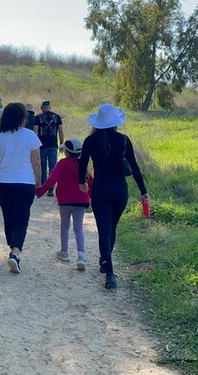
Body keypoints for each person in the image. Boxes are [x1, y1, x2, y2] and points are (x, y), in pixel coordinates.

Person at [78, 103, 150, 289]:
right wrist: (143, 191)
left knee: (104, 230)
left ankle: (109, 272)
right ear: (115, 123)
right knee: (113, 227)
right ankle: (105, 261)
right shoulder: (124, 140)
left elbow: (82, 164)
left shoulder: (90, 141)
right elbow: (134, 168)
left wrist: (82, 181)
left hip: (100, 189)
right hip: (120, 190)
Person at [0, 103, 42, 274]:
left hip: (3, 184)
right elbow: (36, 162)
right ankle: (15, 253)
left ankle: (13, 250)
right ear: (23, 118)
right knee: (22, 219)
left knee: (9, 217)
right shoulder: (30, 136)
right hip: (25, 184)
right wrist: (39, 182)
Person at [36, 138, 93, 270]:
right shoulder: (83, 165)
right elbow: (91, 184)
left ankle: (65, 252)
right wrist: (92, 199)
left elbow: (51, 180)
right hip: (81, 200)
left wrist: (39, 191)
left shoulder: (62, 164)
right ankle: (81, 256)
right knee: (78, 228)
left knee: (65, 226)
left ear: (66, 152)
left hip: (65, 200)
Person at [34, 100, 64, 197]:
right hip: (53, 146)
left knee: (42, 166)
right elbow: (61, 132)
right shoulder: (57, 117)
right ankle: (51, 189)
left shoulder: (38, 117)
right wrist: (61, 144)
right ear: (50, 107)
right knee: (52, 167)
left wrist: (35, 145)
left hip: (41, 146)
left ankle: (43, 187)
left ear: (42, 108)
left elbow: (35, 131)